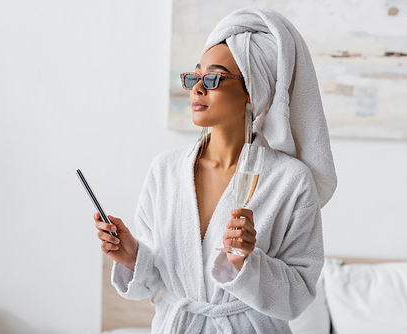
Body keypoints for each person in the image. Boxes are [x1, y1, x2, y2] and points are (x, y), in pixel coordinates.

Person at [94, 7, 337, 333]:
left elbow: (298, 296)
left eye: (213, 78)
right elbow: (155, 281)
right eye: (195, 76)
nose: (197, 88)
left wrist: (244, 263)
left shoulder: (290, 181)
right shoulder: (165, 170)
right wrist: (131, 255)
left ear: (253, 89)